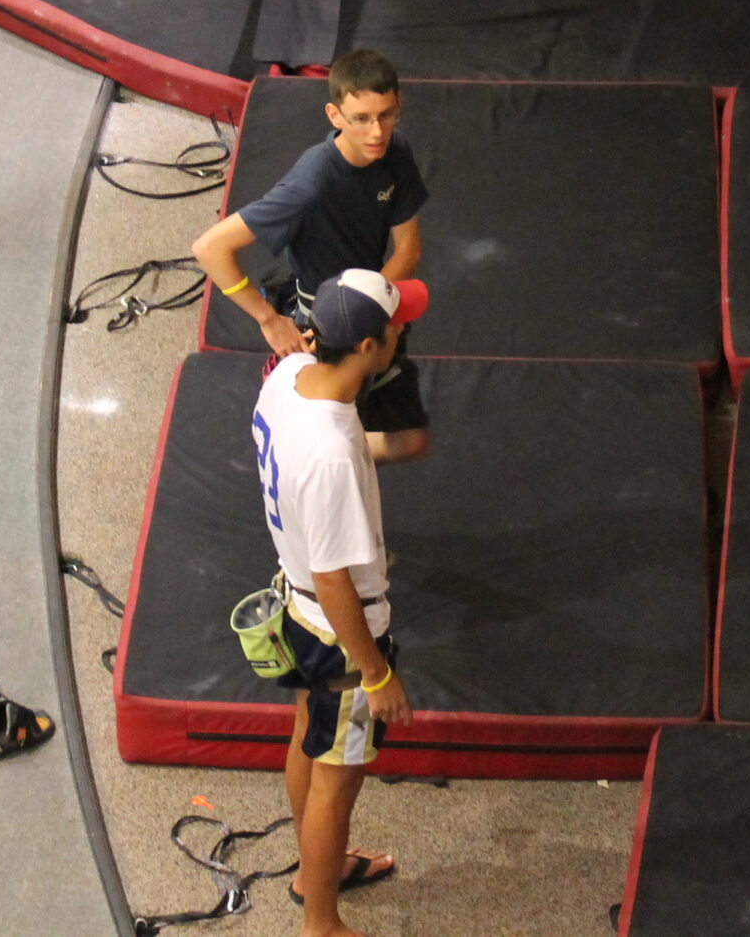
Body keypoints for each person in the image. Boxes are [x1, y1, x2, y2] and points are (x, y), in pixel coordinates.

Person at [252, 268, 427, 937]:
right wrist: (377, 673)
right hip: (337, 630)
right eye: (395, 326)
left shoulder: (286, 376)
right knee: (338, 780)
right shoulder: (330, 453)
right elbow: (335, 580)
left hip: (297, 611)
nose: (403, 329)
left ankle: (311, 870)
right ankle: (321, 923)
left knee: (307, 732)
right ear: (367, 348)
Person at [194, 49, 430, 463]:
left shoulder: (395, 151)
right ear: (335, 115)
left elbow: (409, 248)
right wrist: (269, 319)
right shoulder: (313, 182)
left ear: (398, 107)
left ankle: (326, 459)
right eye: (361, 118)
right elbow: (210, 248)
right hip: (323, 327)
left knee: (409, 441)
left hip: (373, 308)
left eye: (386, 115)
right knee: (331, 426)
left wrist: (373, 308)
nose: (377, 131)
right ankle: (308, 454)